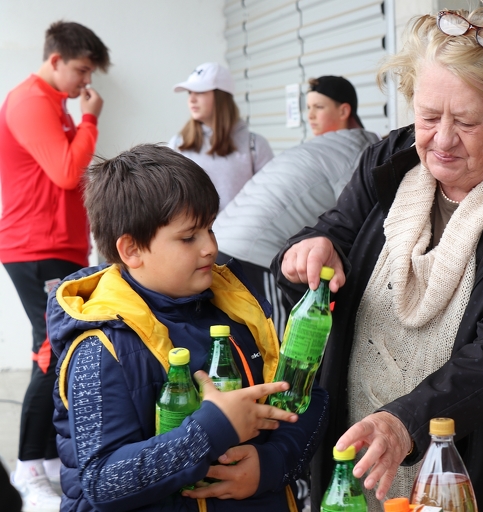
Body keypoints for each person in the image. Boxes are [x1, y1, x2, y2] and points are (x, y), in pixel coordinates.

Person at [272, 7, 483, 510]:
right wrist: (311, 249)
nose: (442, 140)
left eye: (466, 121)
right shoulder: (389, 161)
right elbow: (336, 231)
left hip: (468, 465)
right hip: (354, 444)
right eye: (428, 116)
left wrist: (407, 422)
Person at [46, 144, 328, 512]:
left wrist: (270, 465)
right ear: (132, 250)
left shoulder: (236, 308)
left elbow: (305, 398)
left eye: (210, 228)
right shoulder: (100, 346)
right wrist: (212, 430)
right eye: (189, 237)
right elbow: (103, 481)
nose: (210, 247)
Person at [0, 20, 110, 511]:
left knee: (50, 348)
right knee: (52, 349)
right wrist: (91, 120)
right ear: (55, 60)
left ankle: (43, 461)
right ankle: (27, 468)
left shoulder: (53, 104)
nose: (86, 82)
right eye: (81, 70)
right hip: (35, 247)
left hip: (56, 247)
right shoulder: (30, 102)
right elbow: (68, 172)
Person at [214, 75, 379, 336]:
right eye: (308, 107)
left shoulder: (350, 151)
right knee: (279, 348)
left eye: (319, 107)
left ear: (344, 111)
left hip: (221, 246)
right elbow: (360, 225)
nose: (310, 116)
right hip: (255, 258)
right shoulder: (343, 150)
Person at [169, 62, 274, 211]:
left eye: (200, 92)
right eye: (189, 93)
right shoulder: (177, 144)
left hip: (243, 226)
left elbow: (270, 200)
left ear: (221, 97)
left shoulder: (255, 145)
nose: (191, 99)